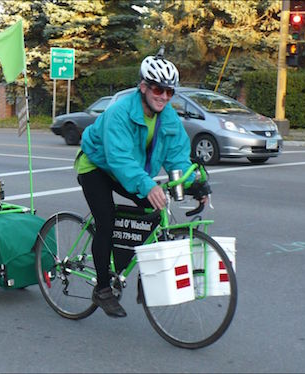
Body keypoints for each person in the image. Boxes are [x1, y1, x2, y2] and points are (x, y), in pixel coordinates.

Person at [75, 50, 209, 318]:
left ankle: (130, 271)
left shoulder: (167, 117)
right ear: (143, 87)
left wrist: (196, 182)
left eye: (170, 92)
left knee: (152, 212)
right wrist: (148, 185)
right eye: (159, 89)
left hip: (129, 171)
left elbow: (178, 157)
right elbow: (120, 159)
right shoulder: (119, 112)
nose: (164, 97)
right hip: (96, 166)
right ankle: (102, 290)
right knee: (106, 221)